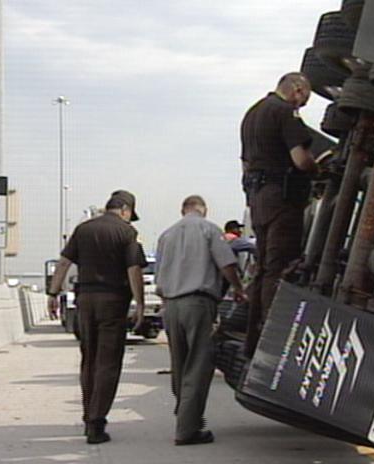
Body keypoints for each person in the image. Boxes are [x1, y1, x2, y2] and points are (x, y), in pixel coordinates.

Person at [47, 190, 147, 444]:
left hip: (86, 302)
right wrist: (140, 304)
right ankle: (96, 422)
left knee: (89, 359)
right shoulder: (127, 233)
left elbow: (63, 264)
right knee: (108, 362)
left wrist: (53, 293)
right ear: (125, 210)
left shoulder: (83, 230)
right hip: (113, 302)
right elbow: (134, 270)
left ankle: (87, 414)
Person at [155, 195, 247, 446]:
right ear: (203, 210)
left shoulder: (166, 235)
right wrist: (238, 289)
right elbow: (227, 263)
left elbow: (158, 275)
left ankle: (184, 411)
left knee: (180, 362)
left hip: (170, 306)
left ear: (182, 210)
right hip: (197, 303)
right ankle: (187, 430)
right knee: (199, 364)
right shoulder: (209, 229)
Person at [239, 72, 320, 358]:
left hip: (258, 200)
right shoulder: (286, 113)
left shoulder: (252, 114)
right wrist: (319, 169)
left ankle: (252, 342)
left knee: (262, 269)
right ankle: (273, 339)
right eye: (304, 99)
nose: (302, 106)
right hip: (283, 200)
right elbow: (300, 160)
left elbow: (246, 164)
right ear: (297, 89)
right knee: (280, 268)